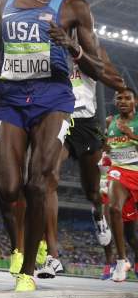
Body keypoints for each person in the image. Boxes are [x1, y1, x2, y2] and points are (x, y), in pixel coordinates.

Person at [0, 0, 104, 292]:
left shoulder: (74, 7)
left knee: (38, 182)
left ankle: (29, 269)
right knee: (7, 187)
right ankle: (28, 252)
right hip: (11, 99)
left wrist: (73, 47)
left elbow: (96, 68)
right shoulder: (6, 0)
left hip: (54, 100)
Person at [37, 49, 125, 279]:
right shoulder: (48, 49)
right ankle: (53, 257)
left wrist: (80, 54)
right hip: (60, 118)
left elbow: (117, 80)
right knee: (49, 176)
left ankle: (98, 216)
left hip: (86, 124)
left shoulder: (90, 51)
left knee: (94, 193)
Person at [105, 87, 138, 281]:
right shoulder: (110, 121)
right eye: (120, 98)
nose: (123, 101)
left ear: (135, 102)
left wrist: (131, 135)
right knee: (114, 209)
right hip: (119, 172)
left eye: (128, 98)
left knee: (131, 234)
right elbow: (107, 145)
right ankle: (121, 260)